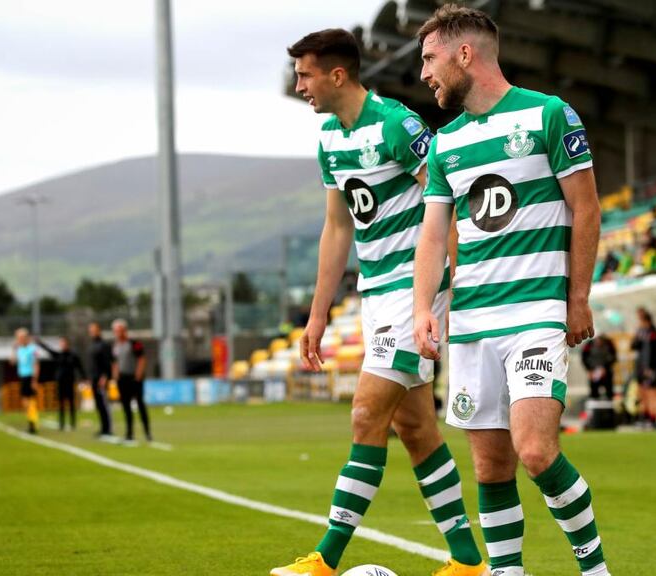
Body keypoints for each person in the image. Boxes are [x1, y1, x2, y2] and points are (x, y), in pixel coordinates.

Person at [272, 28, 485, 576]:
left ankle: (325, 558)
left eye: (305, 74)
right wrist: (317, 314)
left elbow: (447, 201)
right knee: (415, 430)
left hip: (417, 291)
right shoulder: (329, 139)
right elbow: (337, 227)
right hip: (373, 296)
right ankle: (466, 562)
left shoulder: (397, 126)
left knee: (366, 414)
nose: (299, 86)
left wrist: (456, 286)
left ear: (337, 74)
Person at [413, 5, 610, 575]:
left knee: (535, 451)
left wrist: (577, 297)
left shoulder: (549, 115)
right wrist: (425, 308)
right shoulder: (445, 144)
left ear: (464, 54)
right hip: (473, 322)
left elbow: (587, 208)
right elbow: (432, 239)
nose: (425, 73)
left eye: (430, 59)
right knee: (491, 467)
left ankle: (595, 568)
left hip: (535, 314)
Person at [110, 319, 150, 444]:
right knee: (126, 407)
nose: (118, 333)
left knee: (140, 404)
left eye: (120, 330)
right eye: (116, 331)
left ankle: (147, 433)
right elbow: (114, 362)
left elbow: (142, 358)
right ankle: (129, 433)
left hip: (134, 378)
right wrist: (115, 375)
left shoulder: (134, 343)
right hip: (122, 379)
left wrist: (138, 375)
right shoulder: (115, 346)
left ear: (125, 330)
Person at [36, 336, 86, 432]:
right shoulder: (58, 355)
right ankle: (61, 423)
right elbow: (48, 350)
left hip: (70, 381)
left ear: (68, 344)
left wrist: (84, 378)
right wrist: (40, 343)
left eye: (65, 343)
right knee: (61, 403)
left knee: (71, 403)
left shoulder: (73, 356)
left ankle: (72, 423)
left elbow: (80, 367)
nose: (63, 345)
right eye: (62, 343)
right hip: (60, 382)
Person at [630, 308, 656, 429]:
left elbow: (654, 352)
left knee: (652, 392)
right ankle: (647, 417)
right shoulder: (641, 332)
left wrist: (649, 367)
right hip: (641, 367)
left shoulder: (653, 332)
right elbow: (633, 346)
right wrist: (637, 334)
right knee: (643, 392)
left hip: (650, 367)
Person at [9, 328, 40, 434]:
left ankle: (33, 424)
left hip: (30, 377)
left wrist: (34, 380)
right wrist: (13, 349)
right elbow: (12, 362)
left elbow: (36, 364)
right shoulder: (19, 349)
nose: (19, 340)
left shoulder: (32, 349)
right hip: (22, 377)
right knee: (26, 402)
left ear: (25, 338)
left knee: (30, 401)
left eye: (20, 337)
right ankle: (31, 422)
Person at [87, 322, 113, 437]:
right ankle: (103, 428)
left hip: (101, 379)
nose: (92, 332)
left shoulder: (104, 345)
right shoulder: (92, 345)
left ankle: (108, 428)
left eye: (94, 330)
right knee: (98, 405)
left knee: (104, 404)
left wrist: (105, 376)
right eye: (90, 330)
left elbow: (108, 362)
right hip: (93, 378)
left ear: (99, 330)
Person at [581, 334, 617, 400]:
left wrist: (605, 368)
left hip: (606, 371)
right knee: (594, 391)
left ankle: (610, 404)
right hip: (593, 370)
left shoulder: (609, 343)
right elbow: (584, 358)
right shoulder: (589, 345)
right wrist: (589, 370)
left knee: (609, 390)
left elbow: (614, 357)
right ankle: (594, 400)